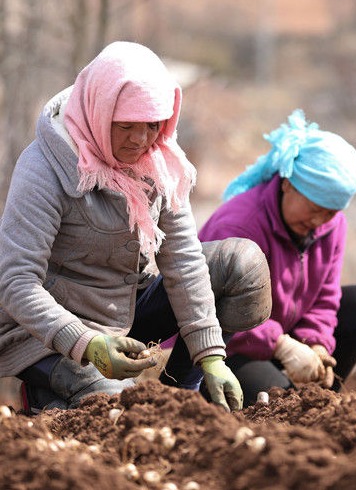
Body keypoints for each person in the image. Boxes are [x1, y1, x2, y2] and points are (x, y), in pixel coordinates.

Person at [0, 41, 272, 414]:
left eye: (152, 125)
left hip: (123, 309)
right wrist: (86, 344)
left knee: (241, 265)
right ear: (99, 112)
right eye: (125, 125)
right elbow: (16, 282)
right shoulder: (44, 170)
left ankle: (182, 397)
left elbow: (184, 260)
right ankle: (53, 390)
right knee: (120, 408)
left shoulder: (158, 162)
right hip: (45, 332)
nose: (140, 140)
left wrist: (210, 355)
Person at [197, 109, 356, 406]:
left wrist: (317, 345)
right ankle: (297, 401)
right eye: (314, 207)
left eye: (331, 212)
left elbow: (324, 296)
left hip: (280, 333)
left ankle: (321, 398)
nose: (320, 220)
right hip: (223, 346)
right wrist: (280, 345)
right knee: (282, 405)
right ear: (287, 183)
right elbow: (210, 310)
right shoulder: (240, 225)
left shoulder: (330, 225)